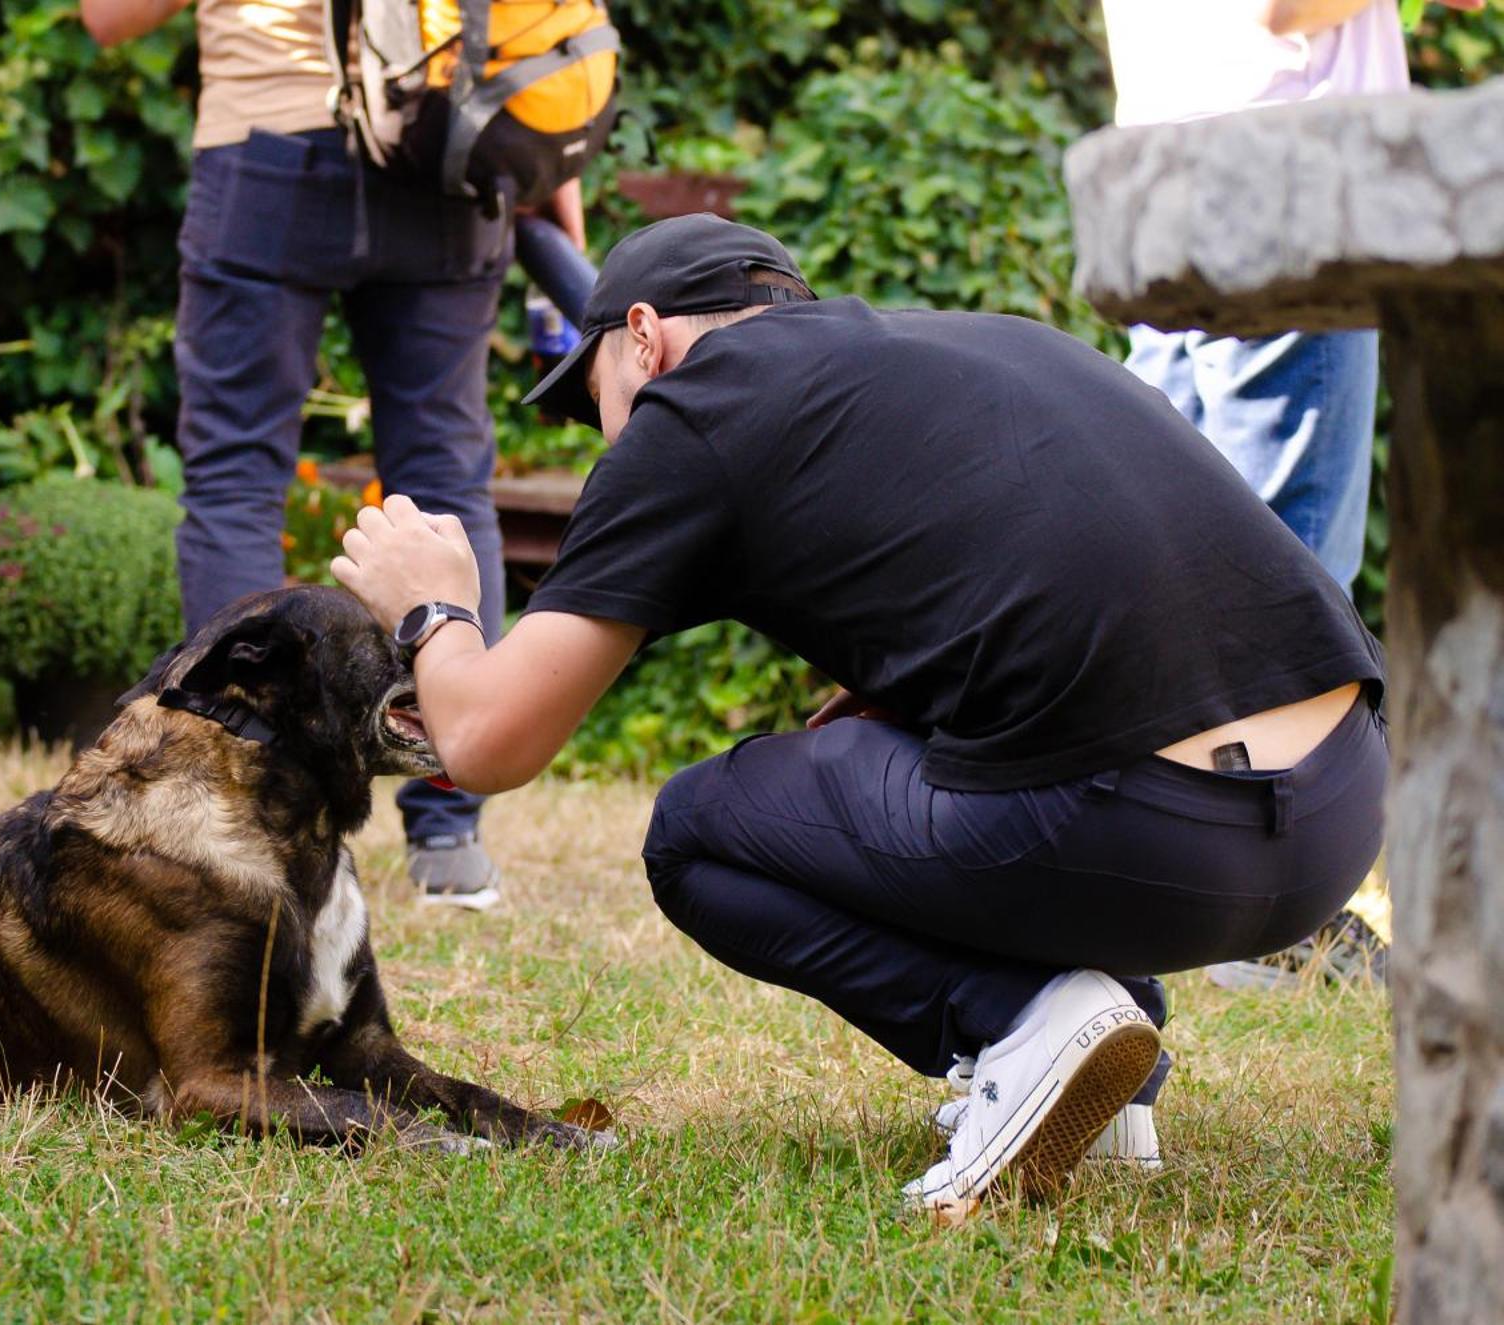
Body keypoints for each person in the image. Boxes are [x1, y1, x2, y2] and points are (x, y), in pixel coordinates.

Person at [332, 215, 1388, 1213]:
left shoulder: (694, 409)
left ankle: (1025, 1026)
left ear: (643, 339)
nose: (605, 440)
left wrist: (433, 601)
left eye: (594, 398)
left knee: (699, 830)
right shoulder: (989, 345)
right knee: (885, 742)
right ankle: (1106, 1084)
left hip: (1144, 826)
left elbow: (482, 741)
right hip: (1336, 813)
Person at [84, 0, 595, 909]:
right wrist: (553, 176)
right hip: (448, 154)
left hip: (268, 152)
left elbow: (109, 19)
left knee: (238, 479)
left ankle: (245, 801)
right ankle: (449, 828)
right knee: (445, 479)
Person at [1101, 0, 1479, 987]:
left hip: (1161, 168)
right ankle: (1268, 924)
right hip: (1279, 175)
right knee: (1282, 577)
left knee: (1167, 568)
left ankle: (1168, 887)